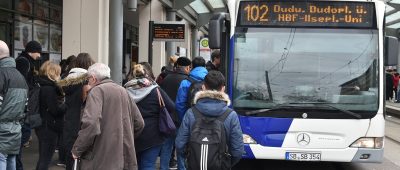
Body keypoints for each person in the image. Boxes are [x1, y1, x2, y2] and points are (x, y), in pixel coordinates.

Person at [72, 63, 144, 170]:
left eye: (88, 79)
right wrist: (125, 137)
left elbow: (91, 123)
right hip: (123, 156)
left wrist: (77, 149)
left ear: (93, 78)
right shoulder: (123, 91)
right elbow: (139, 123)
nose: (88, 82)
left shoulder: (96, 91)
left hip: (100, 157)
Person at [175, 71, 244, 169]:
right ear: (223, 89)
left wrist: (189, 160)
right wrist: (226, 164)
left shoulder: (191, 113)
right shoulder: (230, 115)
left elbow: (179, 144)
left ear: (203, 87)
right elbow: (238, 150)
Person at [125, 64, 175, 170]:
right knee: (148, 164)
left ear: (131, 76)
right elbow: (171, 106)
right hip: (153, 134)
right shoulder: (155, 90)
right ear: (146, 74)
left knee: (134, 165)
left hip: (132, 133)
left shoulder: (125, 91)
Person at [57, 53, 94, 170]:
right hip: (82, 121)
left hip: (68, 121)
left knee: (70, 156)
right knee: (82, 157)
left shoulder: (66, 80)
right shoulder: (87, 81)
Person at [175, 57, 208, 170]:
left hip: (189, 119)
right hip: (208, 121)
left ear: (192, 67)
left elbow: (180, 104)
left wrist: (183, 119)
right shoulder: (211, 80)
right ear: (204, 67)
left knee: (182, 146)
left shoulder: (185, 82)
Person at [0, 40, 28, 170]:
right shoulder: (20, 77)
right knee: (11, 158)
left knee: (1, 158)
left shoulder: (1, 75)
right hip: (16, 127)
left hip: (2, 128)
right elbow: (26, 106)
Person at [159, 57, 191, 169]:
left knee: (166, 146)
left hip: (167, 119)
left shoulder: (167, 78)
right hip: (180, 119)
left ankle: (164, 167)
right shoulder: (187, 81)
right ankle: (182, 168)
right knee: (181, 147)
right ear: (187, 67)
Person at [15, 40, 42, 170]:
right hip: (24, 103)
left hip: (24, 102)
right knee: (23, 133)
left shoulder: (25, 61)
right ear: (32, 51)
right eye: (38, 52)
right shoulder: (24, 62)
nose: (40, 56)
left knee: (24, 133)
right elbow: (22, 81)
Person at [35, 61, 65, 170]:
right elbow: (55, 110)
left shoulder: (41, 85)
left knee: (43, 158)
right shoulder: (49, 89)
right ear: (53, 73)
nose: (60, 75)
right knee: (45, 159)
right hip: (49, 128)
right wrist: (66, 105)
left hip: (42, 126)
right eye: (58, 72)